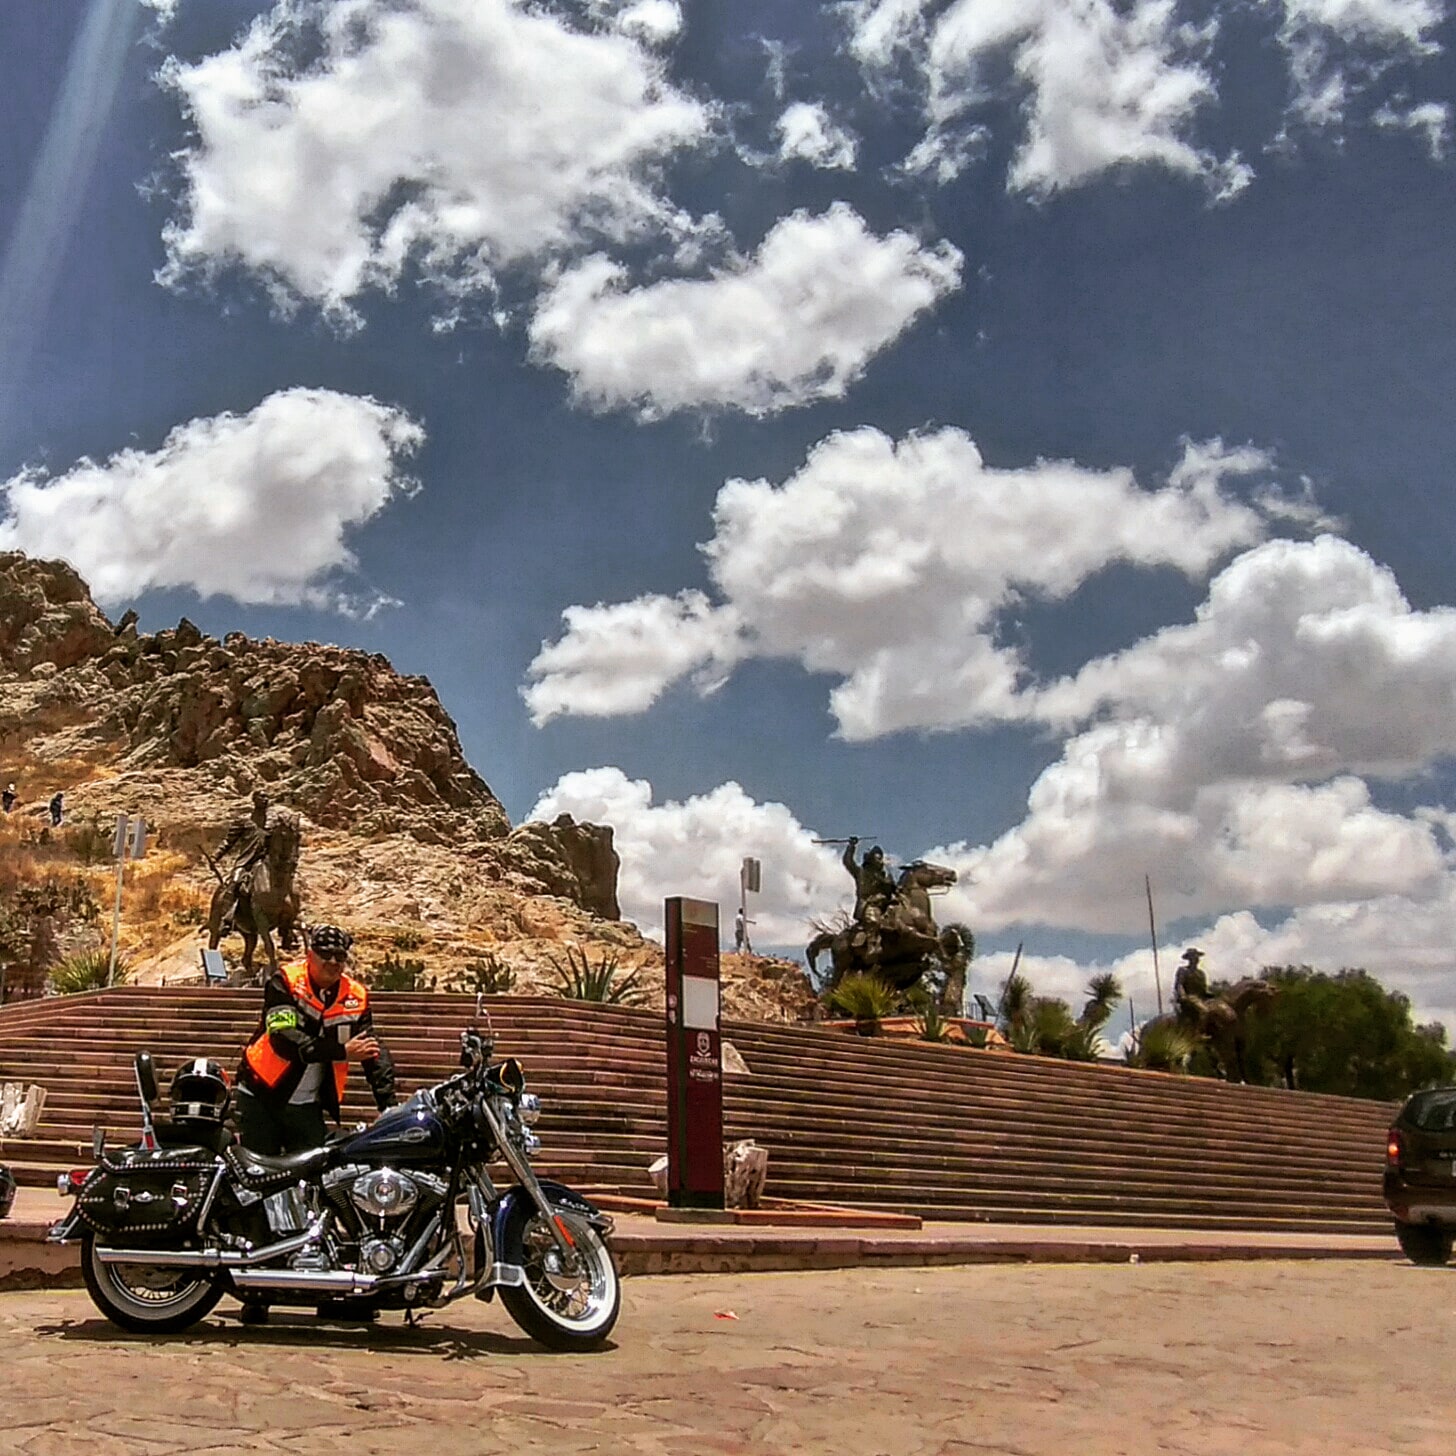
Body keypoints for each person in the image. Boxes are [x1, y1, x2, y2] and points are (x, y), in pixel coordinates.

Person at [236, 923, 396, 1157]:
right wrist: (340, 1051)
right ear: (310, 955)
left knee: (311, 1177)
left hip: (307, 1106)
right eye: (325, 954)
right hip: (261, 1096)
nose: (332, 961)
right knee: (258, 1175)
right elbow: (282, 1038)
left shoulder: (356, 996)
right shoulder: (285, 981)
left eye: (339, 956)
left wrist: (388, 1105)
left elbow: (372, 1050)